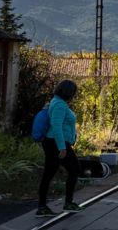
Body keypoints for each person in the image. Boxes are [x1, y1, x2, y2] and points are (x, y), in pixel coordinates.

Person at [36, 80, 83, 217]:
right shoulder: (60, 105)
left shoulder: (56, 102)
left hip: (54, 143)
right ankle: (67, 203)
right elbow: (56, 127)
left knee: (49, 174)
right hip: (56, 144)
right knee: (75, 169)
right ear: (68, 92)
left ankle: (42, 207)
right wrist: (62, 148)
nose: (74, 95)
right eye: (73, 93)